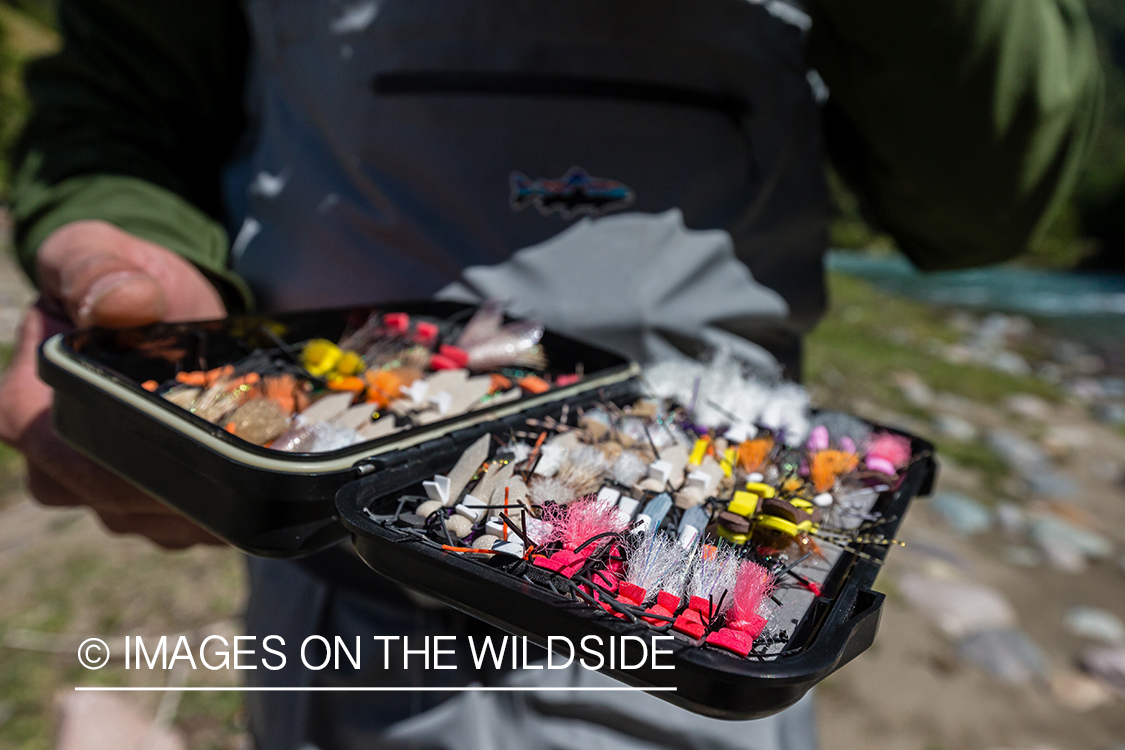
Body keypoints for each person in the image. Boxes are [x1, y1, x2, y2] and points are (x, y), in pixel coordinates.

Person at [0, 0, 1102, 748]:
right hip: (337, 601)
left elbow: (981, 199)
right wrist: (124, 240)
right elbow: (122, 109)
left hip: (710, 655)